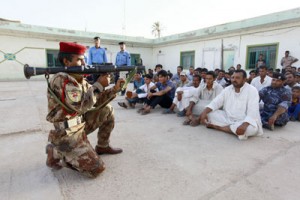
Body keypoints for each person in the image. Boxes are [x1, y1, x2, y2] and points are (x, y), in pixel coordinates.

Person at [45, 42, 123, 178]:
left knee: (107, 110)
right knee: (97, 169)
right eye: (79, 59)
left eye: (83, 59)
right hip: (67, 133)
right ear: (66, 61)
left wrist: (114, 89)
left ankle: (102, 146)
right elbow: (79, 105)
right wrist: (98, 85)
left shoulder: (78, 79)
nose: (83, 63)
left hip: (80, 124)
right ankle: (57, 151)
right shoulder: (62, 79)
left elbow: (96, 101)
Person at [192, 70, 263, 140]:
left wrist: (244, 125)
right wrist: (203, 114)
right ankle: (231, 128)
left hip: (244, 120)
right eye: (233, 77)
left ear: (244, 79)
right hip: (227, 117)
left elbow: (253, 111)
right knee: (209, 113)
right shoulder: (228, 89)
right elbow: (215, 102)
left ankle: (218, 127)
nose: (234, 80)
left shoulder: (252, 90)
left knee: (251, 129)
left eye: (237, 78)